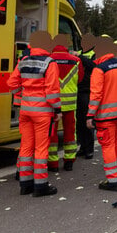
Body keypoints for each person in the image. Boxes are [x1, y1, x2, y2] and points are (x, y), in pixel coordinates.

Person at [6, 30, 60, 197]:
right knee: (41, 148)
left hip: (26, 110)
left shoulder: (23, 60)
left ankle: (25, 184)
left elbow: (11, 83)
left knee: (26, 147)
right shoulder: (50, 63)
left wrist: (23, 94)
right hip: (43, 112)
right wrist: (57, 109)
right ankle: (41, 186)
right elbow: (52, 92)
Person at [86, 35, 117, 192]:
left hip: (106, 115)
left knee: (107, 146)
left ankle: (113, 181)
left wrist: (90, 115)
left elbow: (96, 95)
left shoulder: (100, 69)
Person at [48, 35, 83, 172]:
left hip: (53, 104)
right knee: (70, 133)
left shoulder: (49, 60)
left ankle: (53, 163)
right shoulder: (76, 61)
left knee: (52, 133)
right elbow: (80, 79)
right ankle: (69, 160)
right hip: (70, 104)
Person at [75, 41, 97, 160]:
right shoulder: (78, 53)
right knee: (79, 122)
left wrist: (80, 57)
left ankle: (89, 150)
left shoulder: (94, 54)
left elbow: (93, 66)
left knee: (88, 122)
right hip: (78, 89)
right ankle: (82, 147)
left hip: (88, 90)